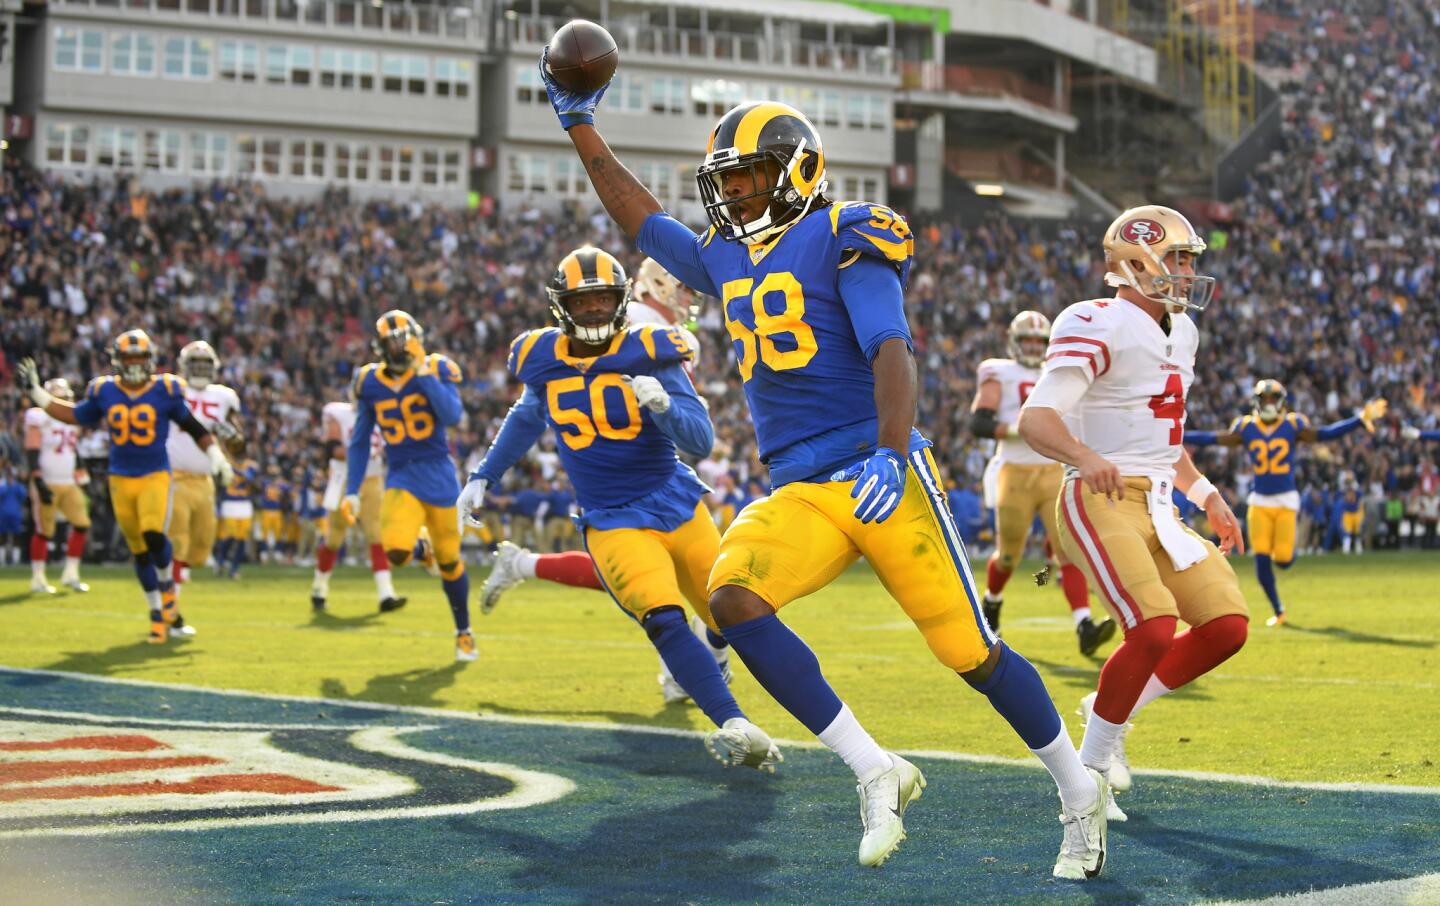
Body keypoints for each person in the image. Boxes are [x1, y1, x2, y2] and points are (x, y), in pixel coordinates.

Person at [538, 66, 1105, 876]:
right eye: (724, 182)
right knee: (734, 599)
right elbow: (641, 218)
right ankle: (875, 769)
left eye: (746, 178)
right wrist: (580, 126)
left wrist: (890, 445)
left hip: (880, 468)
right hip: (800, 485)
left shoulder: (847, 230)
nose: (731, 196)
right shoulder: (726, 259)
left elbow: (890, 347)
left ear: (796, 170)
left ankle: (1078, 792)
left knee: (969, 653)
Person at [459, 247, 776, 769]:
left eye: (603, 300)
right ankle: (734, 723)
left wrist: (664, 403)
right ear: (560, 306)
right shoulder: (540, 357)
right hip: (613, 516)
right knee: (664, 619)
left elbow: (699, 438)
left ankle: (843, 737)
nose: (593, 312)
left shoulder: (651, 347)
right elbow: (529, 412)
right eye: (582, 302)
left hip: (674, 499)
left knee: (740, 613)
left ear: (624, 299)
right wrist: (484, 474)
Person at [1018, 205, 1250, 822]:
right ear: (1136, 260)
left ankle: (1106, 712)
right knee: (1152, 628)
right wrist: (1083, 455)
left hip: (1161, 502)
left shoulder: (1184, 333)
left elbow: (1163, 441)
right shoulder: (1096, 319)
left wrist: (1208, 496)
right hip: (1099, 497)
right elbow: (1036, 420)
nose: (1186, 272)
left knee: (1226, 626)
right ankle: (1087, 777)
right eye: (1178, 258)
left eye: (1190, 260)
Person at [16, 330, 235, 643]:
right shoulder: (104, 390)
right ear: (117, 361)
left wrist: (215, 455)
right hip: (120, 479)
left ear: (150, 361)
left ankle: (168, 591)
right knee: (140, 552)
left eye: (139, 358)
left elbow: (191, 424)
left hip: (155, 474)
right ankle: (158, 614)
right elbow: (75, 415)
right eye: (128, 358)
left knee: (153, 533)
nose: (134, 364)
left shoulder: (165, 388)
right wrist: (37, 393)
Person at [971, 310, 1115, 655]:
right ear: (1014, 342)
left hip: (1053, 471)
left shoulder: (1058, 372)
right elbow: (979, 423)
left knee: (1068, 550)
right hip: (1015, 473)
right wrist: (1023, 430)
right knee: (1008, 557)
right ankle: (991, 602)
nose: (1034, 347)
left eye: (1039, 340)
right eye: (1028, 340)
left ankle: (1084, 625)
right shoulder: (999, 371)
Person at [1184, 379, 1386, 624]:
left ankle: (1286, 564)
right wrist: (1175, 432)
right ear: (1257, 402)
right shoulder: (1246, 427)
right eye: (1264, 399)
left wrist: (1358, 420)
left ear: (1281, 402)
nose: (1268, 404)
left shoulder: (1293, 424)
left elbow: (1324, 433)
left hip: (1285, 501)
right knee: (1260, 557)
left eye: (1272, 399)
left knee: (1283, 560)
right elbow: (1211, 438)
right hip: (1259, 502)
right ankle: (1278, 610)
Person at [346, 310, 474, 662]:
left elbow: (452, 416)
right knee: (396, 551)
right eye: (392, 340)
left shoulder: (436, 368)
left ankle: (463, 631)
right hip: (401, 473)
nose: (399, 346)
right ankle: (422, 550)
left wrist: (422, 373)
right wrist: (351, 489)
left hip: (439, 473)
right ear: (381, 345)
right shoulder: (369, 381)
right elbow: (359, 441)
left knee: (450, 562)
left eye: (404, 338)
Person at [311, 393, 406, 613]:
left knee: (377, 534)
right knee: (335, 536)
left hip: (373, 480)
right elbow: (332, 449)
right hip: (344, 478)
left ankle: (386, 594)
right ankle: (319, 587)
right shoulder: (339, 413)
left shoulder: (386, 414)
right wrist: (363, 453)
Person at [165, 341, 244, 604]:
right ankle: (170, 603)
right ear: (184, 367)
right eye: (195, 364)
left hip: (205, 479)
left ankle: (174, 576)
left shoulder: (224, 396)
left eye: (205, 365)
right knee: (177, 538)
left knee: (200, 548)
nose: (199, 369)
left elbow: (238, 443)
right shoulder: (172, 389)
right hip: (173, 474)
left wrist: (232, 438)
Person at [24, 377, 91, 593]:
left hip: (68, 481)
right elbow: (32, 448)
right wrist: (37, 478)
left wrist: (83, 478)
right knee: (44, 531)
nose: (63, 403)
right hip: (48, 480)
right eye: (59, 398)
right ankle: (38, 578)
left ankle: (71, 573)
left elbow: (74, 451)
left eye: (65, 398)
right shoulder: (39, 416)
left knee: (82, 524)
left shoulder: (71, 420)